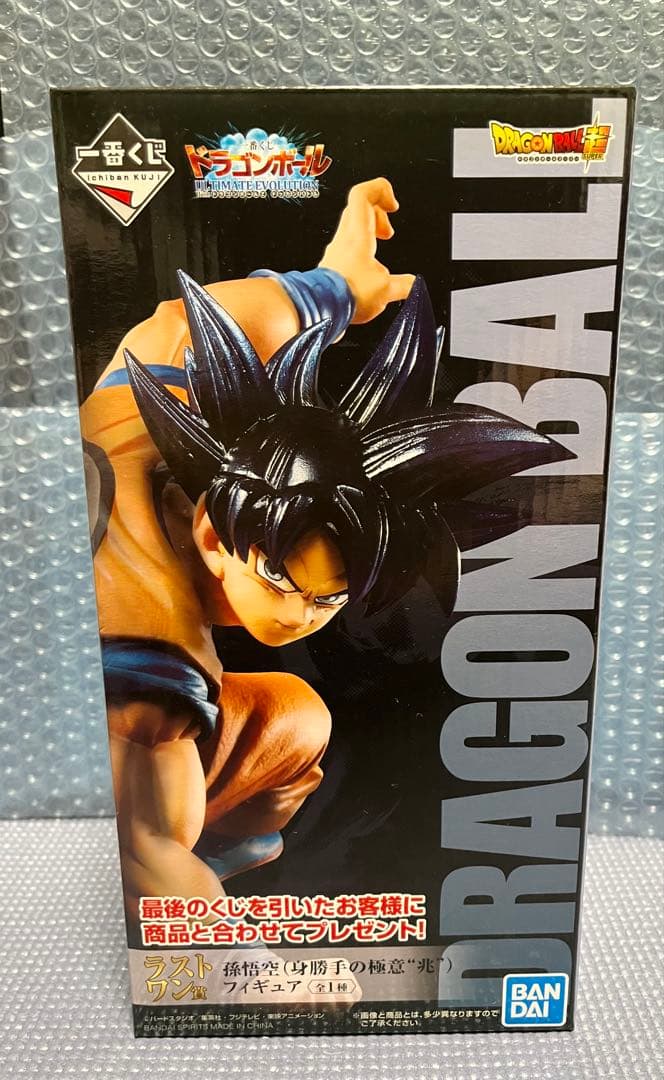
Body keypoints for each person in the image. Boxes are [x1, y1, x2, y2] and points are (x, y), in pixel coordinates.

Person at [80, 178, 569, 921]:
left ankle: (223, 844)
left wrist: (335, 287)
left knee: (293, 721)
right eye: (283, 580)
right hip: (55, 710)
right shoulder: (150, 653)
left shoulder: (143, 405)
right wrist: (252, 970)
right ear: (212, 533)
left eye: (329, 597)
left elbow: (188, 321)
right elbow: (145, 852)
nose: (301, 618)